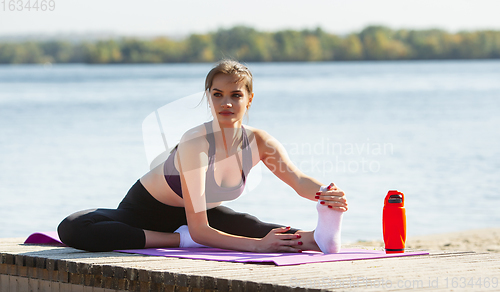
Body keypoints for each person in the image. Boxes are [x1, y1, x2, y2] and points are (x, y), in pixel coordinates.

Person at [57, 60, 348, 253]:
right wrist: (258, 247)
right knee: (73, 228)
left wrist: (325, 195)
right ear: (209, 96)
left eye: (235, 95)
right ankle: (175, 239)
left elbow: (297, 180)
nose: (226, 103)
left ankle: (317, 238)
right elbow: (199, 230)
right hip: (143, 215)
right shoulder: (196, 142)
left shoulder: (259, 141)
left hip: (202, 215)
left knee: (251, 224)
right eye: (218, 94)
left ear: (249, 98)